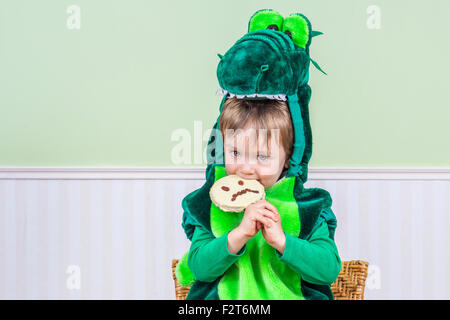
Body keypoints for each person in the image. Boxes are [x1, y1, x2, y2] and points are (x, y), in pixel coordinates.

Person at [177, 9, 341, 300]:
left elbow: (327, 271)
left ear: (289, 159)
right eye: (236, 152)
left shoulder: (309, 208)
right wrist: (238, 234)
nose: (246, 169)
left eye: (262, 157)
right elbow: (200, 268)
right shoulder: (209, 204)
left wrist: (281, 241)